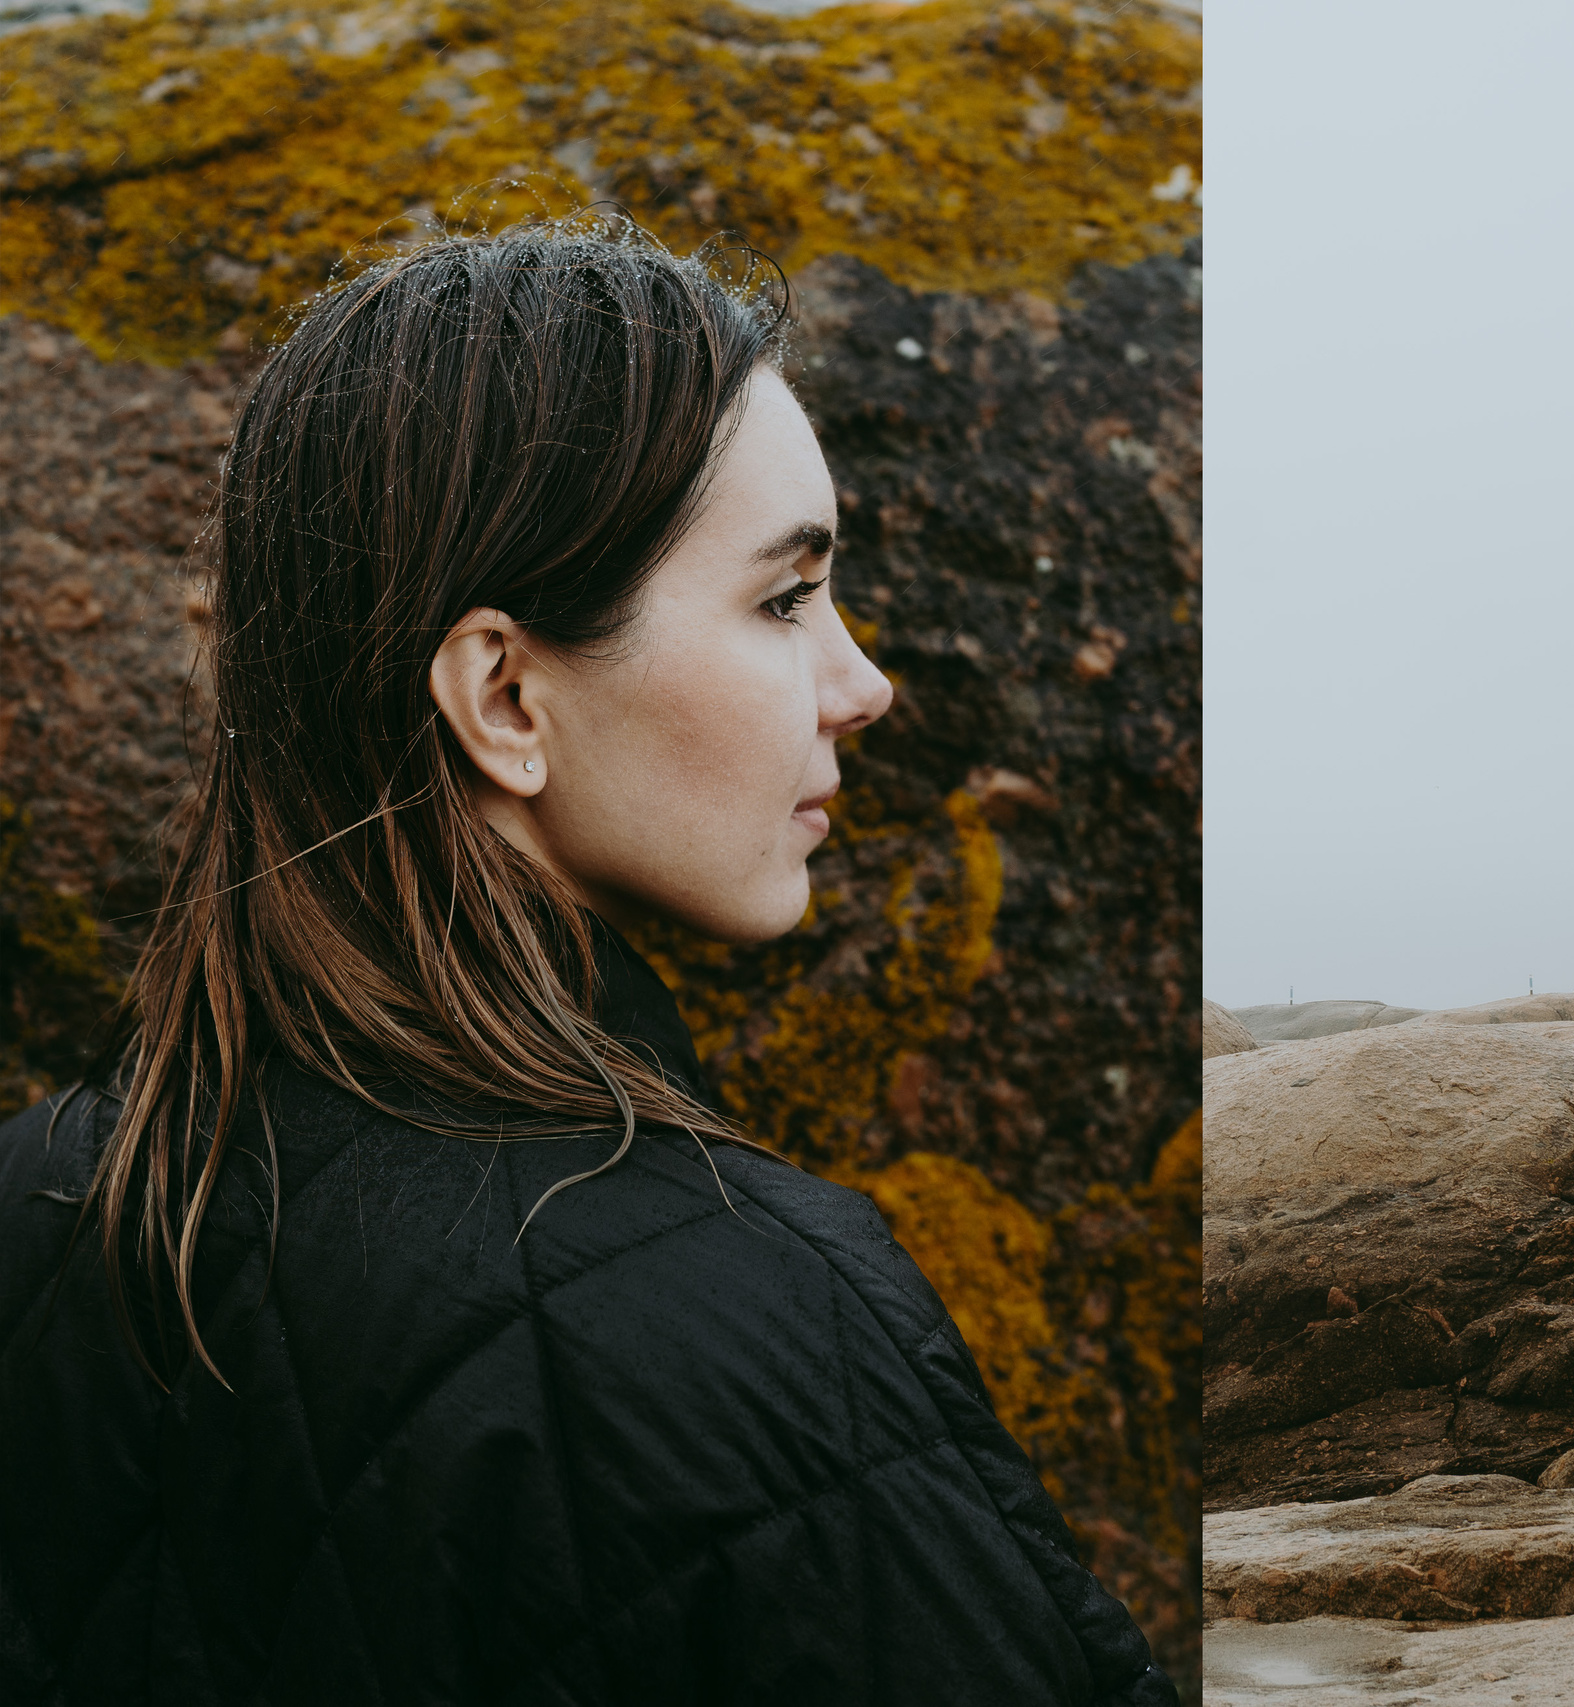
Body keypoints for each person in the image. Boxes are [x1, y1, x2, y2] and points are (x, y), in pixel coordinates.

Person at [0, 214, 1175, 1705]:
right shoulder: (759, 1323)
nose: (863, 682)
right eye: (785, 595)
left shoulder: (39, 1212)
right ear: (503, 694)